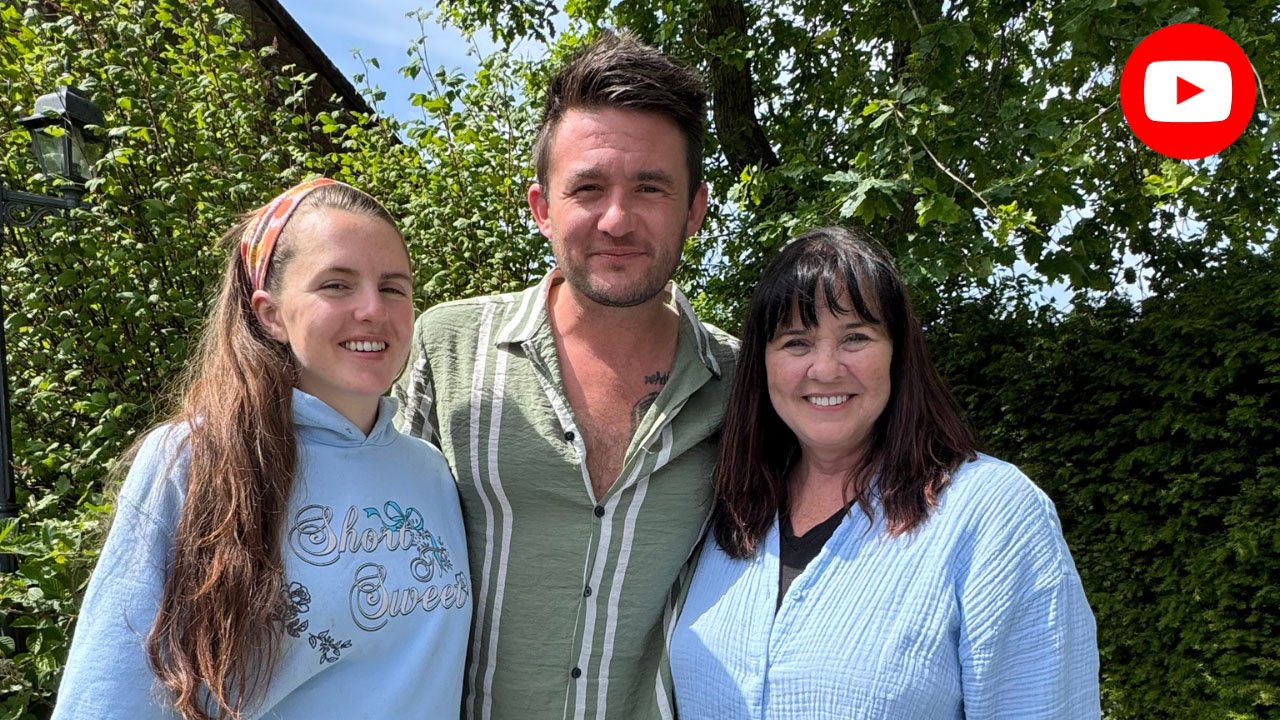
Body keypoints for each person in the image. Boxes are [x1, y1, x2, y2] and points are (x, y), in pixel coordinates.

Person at [393, 32, 737, 720]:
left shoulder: (742, 383)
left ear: (695, 209)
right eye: (588, 187)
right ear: (541, 207)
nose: (617, 218)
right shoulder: (446, 346)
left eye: (650, 187)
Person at [53, 179, 471, 720]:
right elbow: (106, 696)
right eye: (336, 285)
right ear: (271, 313)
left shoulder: (429, 471)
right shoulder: (194, 458)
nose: (372, 309)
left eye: (393, 287)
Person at [670, 226, 1100, 718]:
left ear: (898, 353)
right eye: (796, 342)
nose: (826, 368)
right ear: (762, 364)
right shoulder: (728, 507)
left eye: (855, 337)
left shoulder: (993, 514)